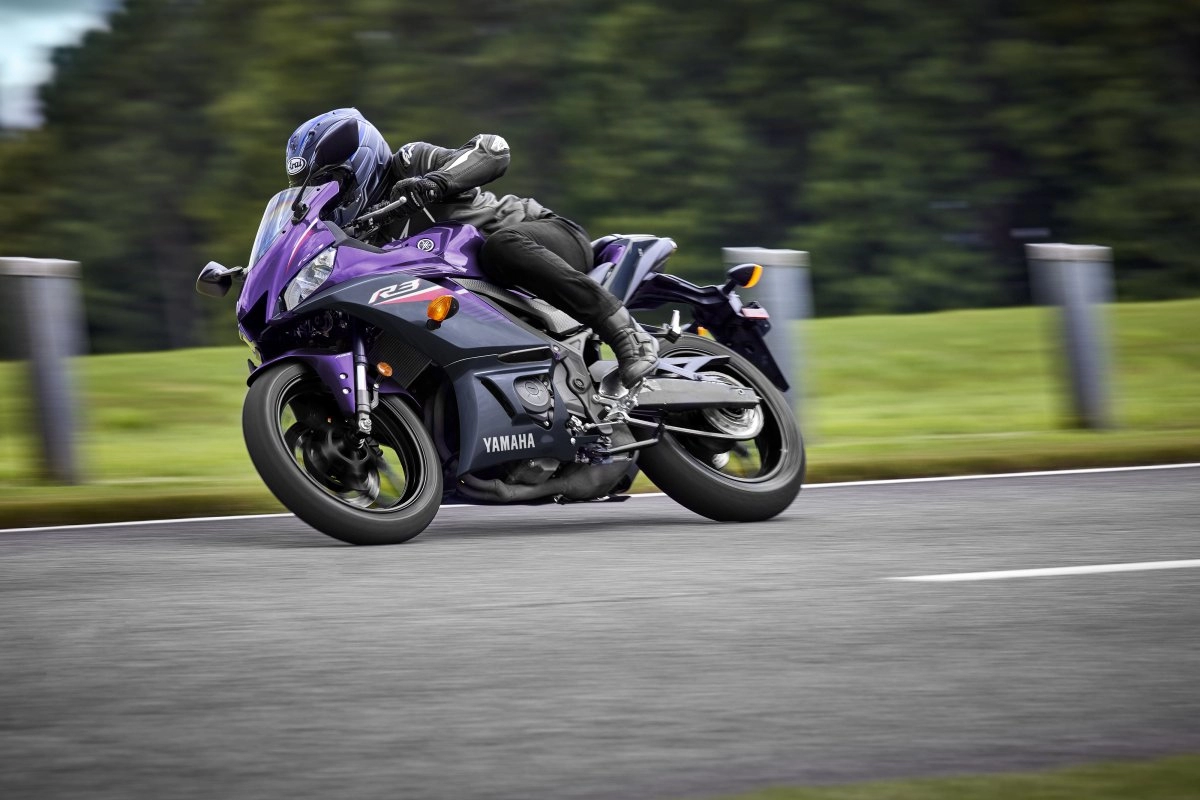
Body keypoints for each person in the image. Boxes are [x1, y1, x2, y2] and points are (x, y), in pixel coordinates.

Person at [284, 108, 657, 388]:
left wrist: (437, 182)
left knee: (502, 247)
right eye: (311, 188)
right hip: (482, 301)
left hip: (545, 238)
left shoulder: (410, 164)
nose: (326, 194)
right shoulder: (358, 236)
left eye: (329, 180)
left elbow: (493, 150)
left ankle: (628, 335)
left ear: (358, 164)